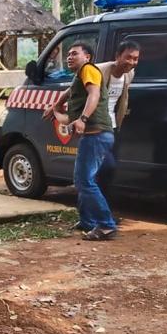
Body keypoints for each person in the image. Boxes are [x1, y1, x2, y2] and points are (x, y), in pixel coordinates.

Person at [52, 41, 118, 241]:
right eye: (68, 54)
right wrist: (55, 109)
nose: (69, 57)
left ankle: (106, 225)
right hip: (95, 136)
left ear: (87, 57)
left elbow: (94, 94)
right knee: (84, 179)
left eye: (75, 53)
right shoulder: (78, 78)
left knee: (84, 181)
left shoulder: (88, 70)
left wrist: (83, 118)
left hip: (96, 135)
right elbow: (67, 107)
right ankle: (87, 221)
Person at [97, 39, 141, 200]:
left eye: (135, 59)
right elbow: (76, 87)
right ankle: (93, 206)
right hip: (97, 127)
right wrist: (57, 105)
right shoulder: (100, 71)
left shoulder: (129, 74)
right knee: (106, 165)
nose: (132, 62)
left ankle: (102, 205)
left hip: (114, 127)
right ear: (117, 56)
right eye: (128, 57)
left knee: (110, 170)